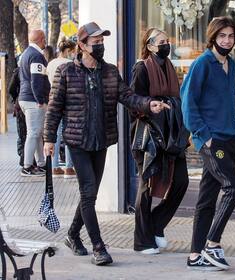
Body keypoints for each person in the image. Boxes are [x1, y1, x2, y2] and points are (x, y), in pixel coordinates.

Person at [43, 22, 166, 266]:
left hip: (101, 140)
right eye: (95, 42)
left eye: (102, 42)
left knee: (90, 193)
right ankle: (99, 246)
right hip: (77, 141)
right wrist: (48, 139)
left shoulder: (110, 71)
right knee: (88, 193)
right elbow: (54, 107)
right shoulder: (66, 73)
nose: (100, 46)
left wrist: (148, 104)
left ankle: (72, 234)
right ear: (82, 45)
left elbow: (127, 96)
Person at [181, 16, 235, 270]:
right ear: (213, 37)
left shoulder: (232, 64)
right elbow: (187, 102)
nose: (227, 40)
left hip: (229, 138)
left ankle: (195, 255)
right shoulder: (202, 63)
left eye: (230, 36)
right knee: (234, 187)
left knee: (207, 197)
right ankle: (213, 244)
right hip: (211, 140)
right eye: (222, 36)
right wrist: (203, 135)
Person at [130, 28, 189, 255]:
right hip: (149, 135)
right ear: (151, 45)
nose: (167, 44)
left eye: (168, 40)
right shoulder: (142, 67)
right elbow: (134, 101)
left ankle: (156, 224)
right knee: (147, 186)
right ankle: (142, 240)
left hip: (172, 133)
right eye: (162, 41)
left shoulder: (170, 67)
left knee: (181, 181)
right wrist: (152, 105)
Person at [18, 30, 50, 176]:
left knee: (36, 132)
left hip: (25, 98)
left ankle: (41, 164)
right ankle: (27, 166)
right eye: (45, 39)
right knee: (33, 133)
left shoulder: (25, 53)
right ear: (42, 39)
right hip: (33, 100)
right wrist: (40, 100)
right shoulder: (37, 56)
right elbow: (36, 80)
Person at [46, 37, 77, 178]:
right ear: (69, 51)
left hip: (54, 100)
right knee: (69, 135)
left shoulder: (51, 63)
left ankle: (55, 166)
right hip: (69, 102)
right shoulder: (70, 64)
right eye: (74, 51)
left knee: (56, 135)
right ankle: (69, 167)